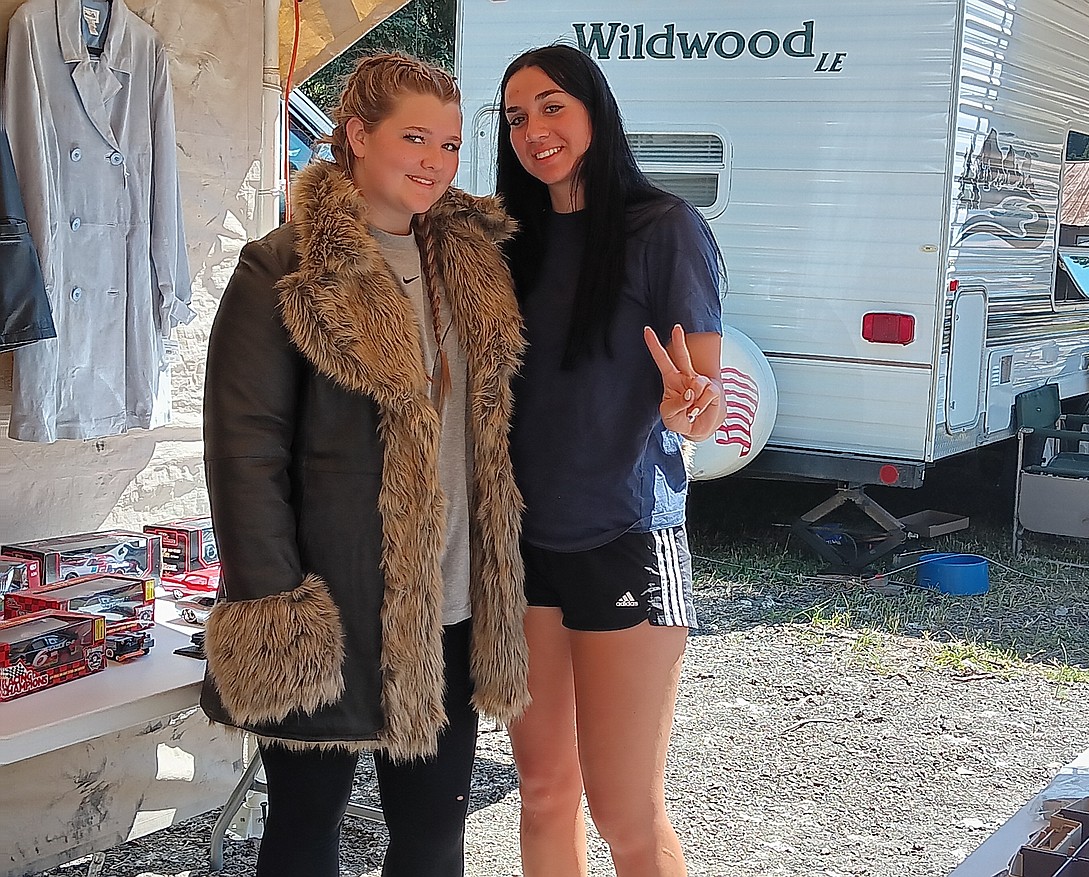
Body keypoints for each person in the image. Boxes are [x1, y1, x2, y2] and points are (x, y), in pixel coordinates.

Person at [199, 54, 529, 877]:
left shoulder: (476, 267)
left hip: (451, 608)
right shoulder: (282, 267)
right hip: (333, 610)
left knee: (432, 838)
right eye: (414, 137)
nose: (435, 161)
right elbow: (244, 455)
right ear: (356, 136)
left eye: (450, 144)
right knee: (307, 832)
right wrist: (280, 612)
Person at [496, 44, 726, 877]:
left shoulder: (663, 227)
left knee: (625, 808)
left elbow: (701, 397)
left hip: (626, 535)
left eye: (552, 105)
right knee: (544, 790)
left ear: (595, 107)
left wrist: (685, 410)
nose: (534, 130)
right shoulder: (507, 242)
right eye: (517, 116)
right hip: (522, 548)